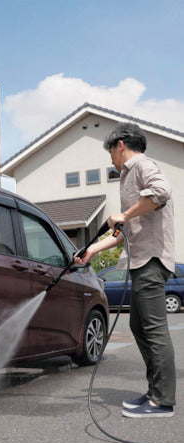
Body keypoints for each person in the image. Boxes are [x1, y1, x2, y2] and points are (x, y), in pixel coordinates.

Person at [75, 122, 176, 418]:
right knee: (139, 326)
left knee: (154, 329)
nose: (110, 159)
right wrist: (92, 249)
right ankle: (154, 391)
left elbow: (161, 191)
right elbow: (125, 232)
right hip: (140, 259)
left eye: (110, 152)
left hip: (152, 260)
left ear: (120, 144)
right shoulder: (128, 177)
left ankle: (163, 401)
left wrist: (125, 213)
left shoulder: (141, 165)